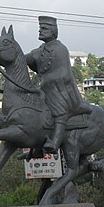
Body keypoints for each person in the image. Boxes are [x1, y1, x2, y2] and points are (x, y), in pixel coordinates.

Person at [26, 16, 91, 153]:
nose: (40, 31)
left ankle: (54, 143)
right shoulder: (39, 50)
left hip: (59, 90)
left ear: (53, 31)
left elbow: (64, 74)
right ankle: (37, 145)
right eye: (39, 28)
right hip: (45, 88)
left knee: (59, 111)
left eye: (44, 29)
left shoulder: (60, 49)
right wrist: (0, 60)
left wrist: (45, 82)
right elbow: (23, 59)